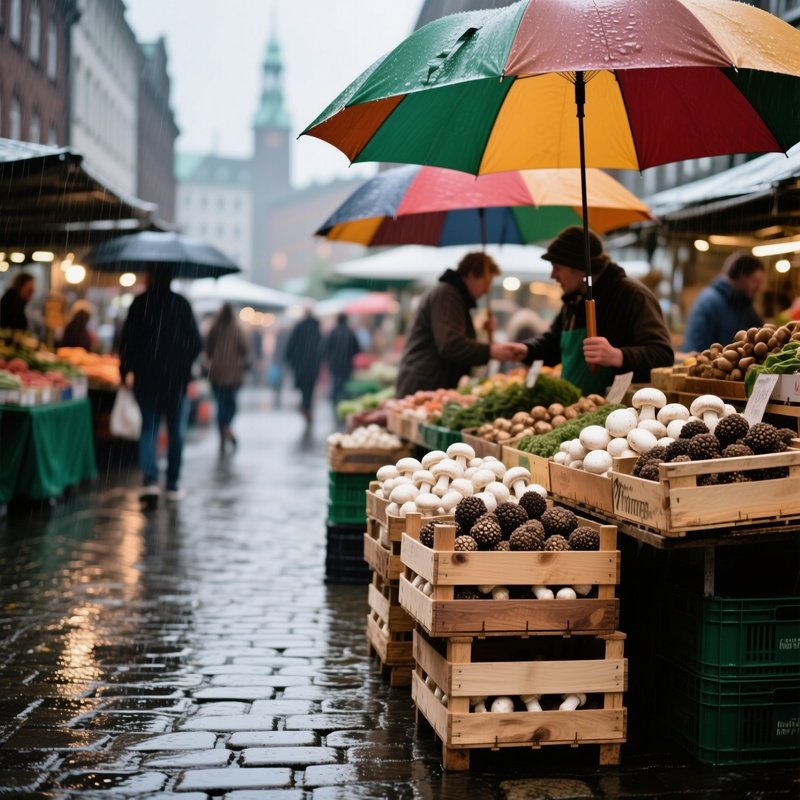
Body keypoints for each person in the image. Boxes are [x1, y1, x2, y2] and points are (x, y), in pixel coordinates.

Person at [521, 226, 674, 395]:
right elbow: (554, 345)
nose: (553, 276)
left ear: (579, 267)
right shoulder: (574, 298)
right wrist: (526, 350)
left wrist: (617, 356)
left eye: (558, 268)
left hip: (614, 407)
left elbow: (662, 355)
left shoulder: (632, 295)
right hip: (573, 404)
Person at [119, 268, 202, 502]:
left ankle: (150, 481)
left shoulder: (139, 303)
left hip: (146, 378)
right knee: (176, 432)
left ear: (150, 278)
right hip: (176, 381)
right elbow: (196, 343)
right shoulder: (181, 304)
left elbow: (126, 342)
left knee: (149, 428)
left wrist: (125, 371)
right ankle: (173, 484)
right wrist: (183, 364)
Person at [395, 252, 526, 397]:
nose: (487, 290)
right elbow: (451, 344)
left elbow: (452, 339)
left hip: (430, 385)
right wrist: (491, 351)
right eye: (486, 282)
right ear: (471, 274)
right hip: (424, 387)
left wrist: (486, 334)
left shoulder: (454, 296)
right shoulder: (447, 294)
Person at [682, 251, 765, 353]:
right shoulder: (708, 302)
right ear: (742, 277)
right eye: (755, 281)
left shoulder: (746, 306)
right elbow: (695, 347)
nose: (759, 288)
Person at [205, 302, 249, 453]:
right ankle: (227, 427)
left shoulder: (214, 328)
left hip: (216, 374)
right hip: (232, 374)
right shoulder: (237, 329)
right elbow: (245, 349)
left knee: (221, 405)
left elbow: (207, 348)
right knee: (232, 405)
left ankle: (222, 433)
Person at [285, 308, 323, 428]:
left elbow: (290, 346)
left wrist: (292, 361)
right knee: (310, 389)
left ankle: (305, 407)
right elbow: (321, 347)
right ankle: (307, 408)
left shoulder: (299, 327)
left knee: (304, 389)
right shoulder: (316, 328)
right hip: (312, 365)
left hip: (301, 365)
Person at [324, 312, 361, 414]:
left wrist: (329, 359)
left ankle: (336, 406)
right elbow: (357, 349)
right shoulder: (350, 332)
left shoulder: (333, 332)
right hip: (346, 365)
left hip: (334, 364)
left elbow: (326, 348)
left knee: (336, 384)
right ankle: (342, 405)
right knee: (344, 386)